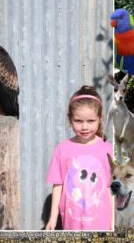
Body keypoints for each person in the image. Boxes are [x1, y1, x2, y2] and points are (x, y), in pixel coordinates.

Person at [46, 86, 113, 231]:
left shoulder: (108, 149)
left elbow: (110, 187)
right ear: (70, 119)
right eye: (78, 121)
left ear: (100, 119)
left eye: (91, 121)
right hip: (72, 224)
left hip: (101, 224)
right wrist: (53, 218)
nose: (84, 126)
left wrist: (113, 223)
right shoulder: (62, 149)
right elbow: (58, 185)